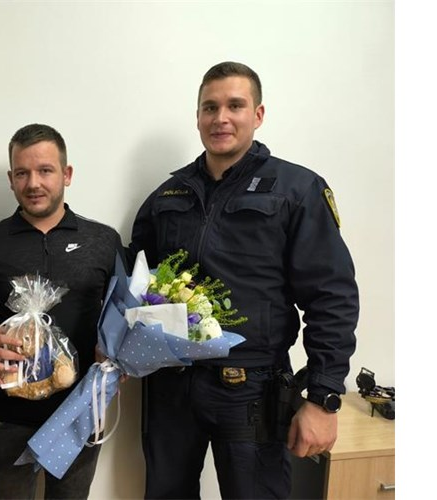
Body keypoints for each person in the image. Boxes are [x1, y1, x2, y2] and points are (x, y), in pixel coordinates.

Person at [128, 62, 359, 499]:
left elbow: (332, 296)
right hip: (171, 386)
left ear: (258, 114)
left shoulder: (296, 190)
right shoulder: (169, 194)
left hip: (250, 388)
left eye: (235, 105)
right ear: (198, 116)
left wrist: (323, 398)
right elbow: (136, 280)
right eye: (209, 107)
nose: (221, 118)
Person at [0, 123, 122, 500]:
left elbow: (123, 314)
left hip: (80, 413)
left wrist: (118, 354)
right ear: (10, 179)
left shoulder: (103, 241)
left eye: (45, 170)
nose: (33, 183)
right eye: (22, 173)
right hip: (6, 418)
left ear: (67, 174)